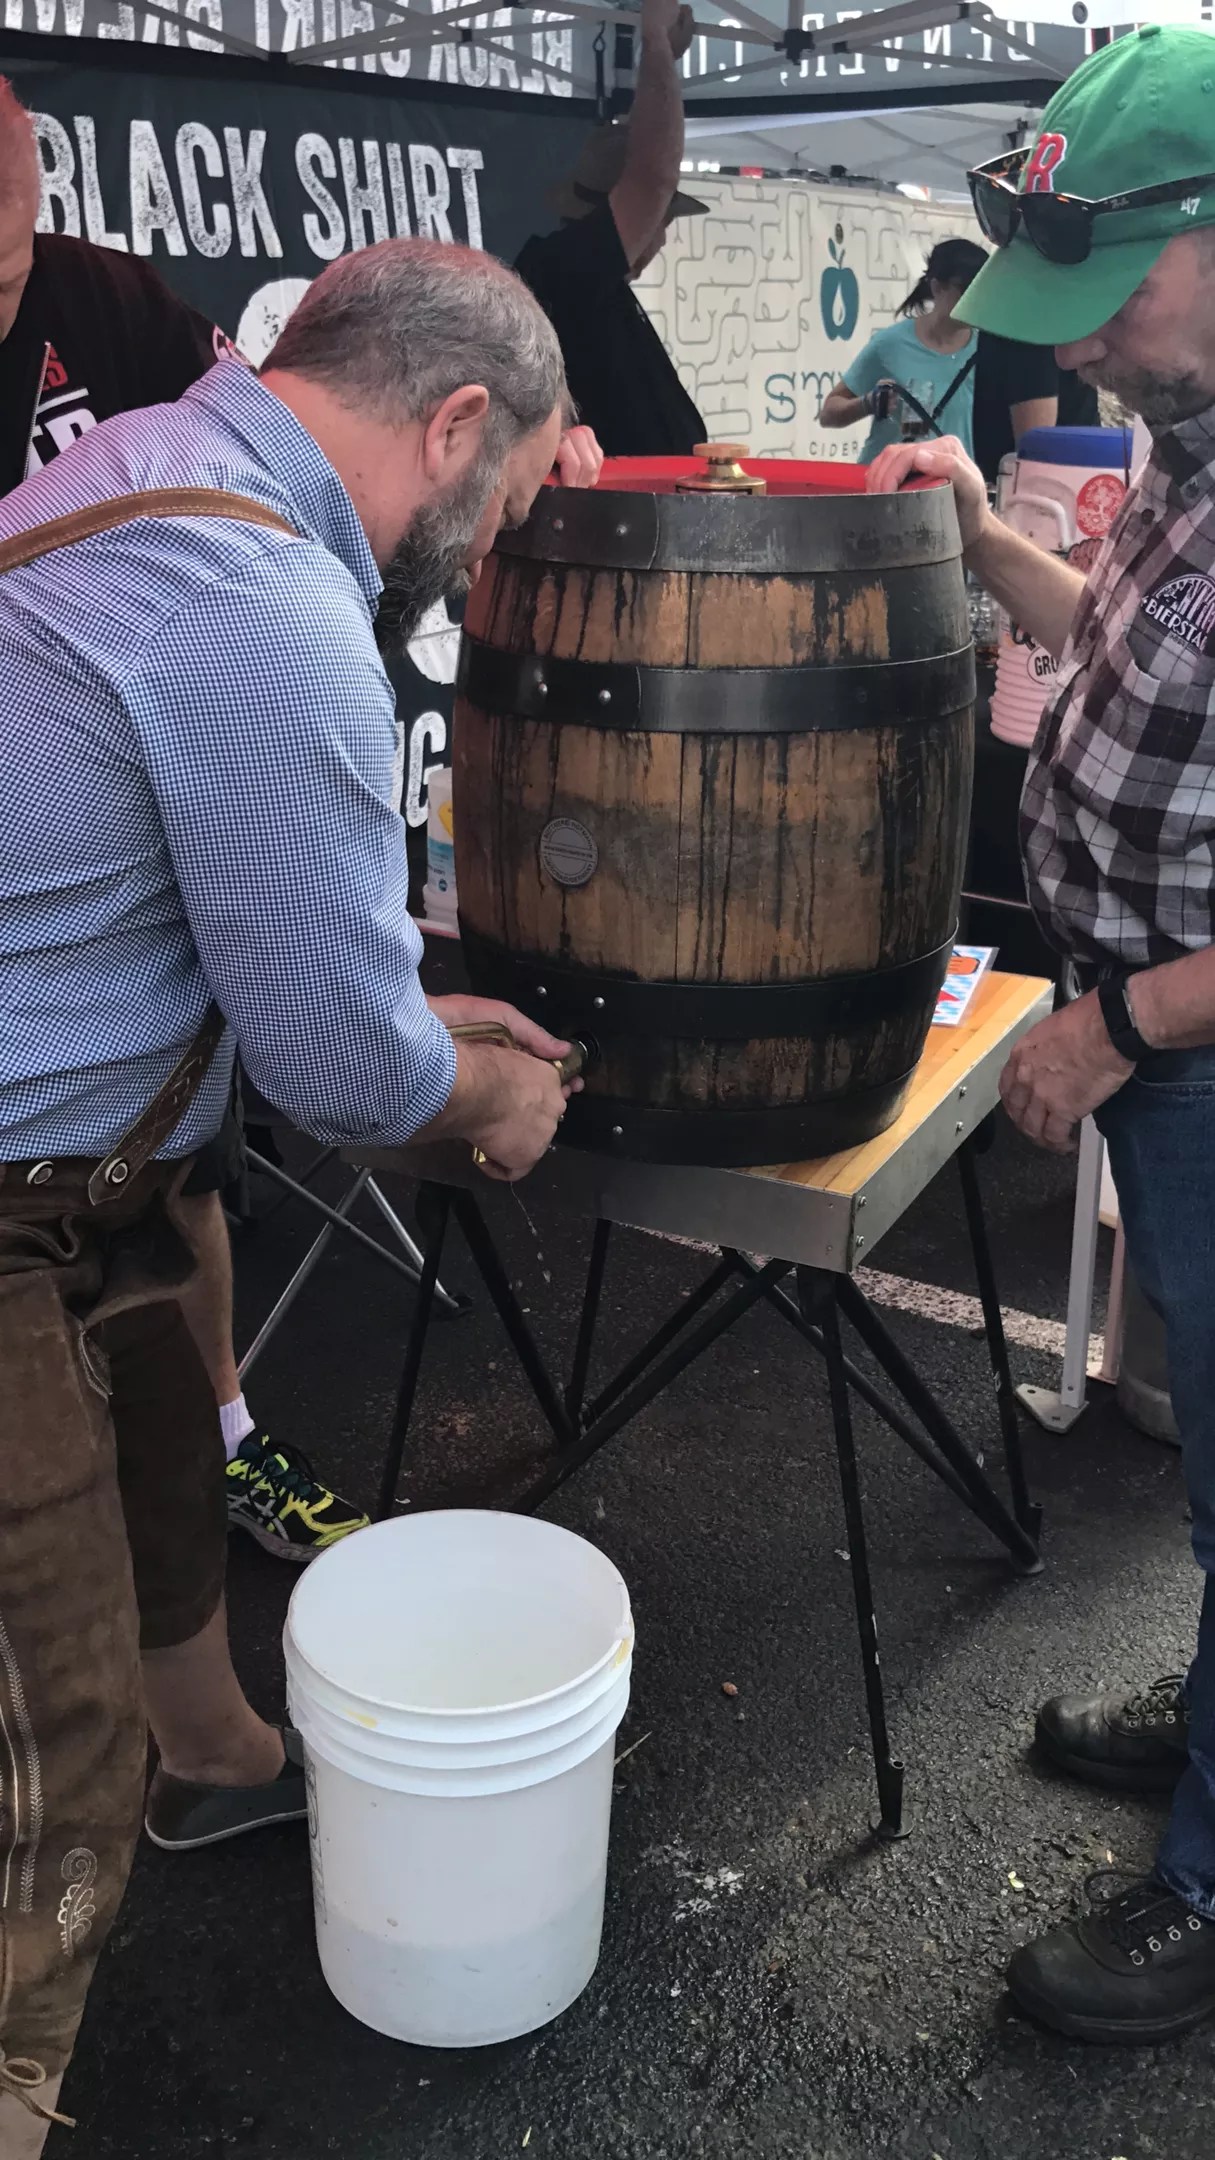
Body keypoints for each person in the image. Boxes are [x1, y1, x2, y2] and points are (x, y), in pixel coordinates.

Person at [0, 234, 586, 2150]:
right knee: (39, 1771)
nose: (483, 549)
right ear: (455, 422)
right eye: (499, 504)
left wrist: (413, 995)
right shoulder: (262, 599)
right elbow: (347, 1078)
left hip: (113, 1164)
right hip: (11, 1197)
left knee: (175, 1439)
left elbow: (246, 908)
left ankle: (221, 1758)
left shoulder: (159, 462)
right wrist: (485, 1096)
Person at [867, 22, 1215, 2045]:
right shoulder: (1195, 429)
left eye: (1112, 297)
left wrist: (1118, 1023)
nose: (1072, 350)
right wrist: (984, 541)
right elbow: (1126, 653)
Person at [0, 75, 372, 1564]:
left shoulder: (106, 296)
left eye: (12, 248)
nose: (5, 284)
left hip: (117, 795)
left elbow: (259, 418)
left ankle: (223, 1439)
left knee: (178, 1166)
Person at [514, 0, 708, 456]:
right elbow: (654, 176)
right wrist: (655, 42)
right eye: (663, 220)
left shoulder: (589, 281)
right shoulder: (566, 270)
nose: (660, 238)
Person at [820, 236, 987, 464]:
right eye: (967, 289)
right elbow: (829, 413)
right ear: (937, 287)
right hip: (888, 486)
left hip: (951, 488)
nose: (977, 299)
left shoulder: (987, 350)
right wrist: (868, 403)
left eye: (982, 289)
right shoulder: (890, 344)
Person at [971, 331, 1100, 485]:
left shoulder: (1027, 332)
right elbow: (1036, 451)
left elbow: (1037, 450)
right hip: (1065, 480)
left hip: (1062, 482)